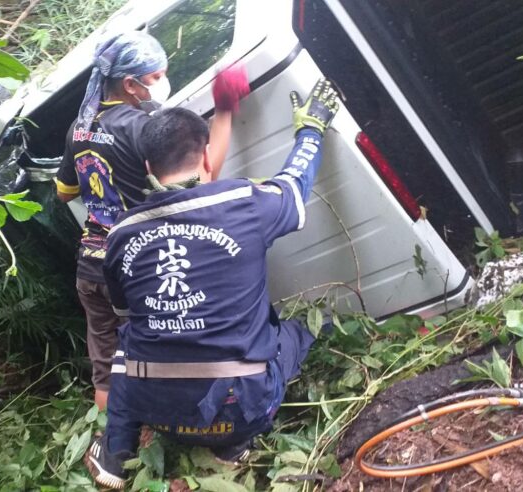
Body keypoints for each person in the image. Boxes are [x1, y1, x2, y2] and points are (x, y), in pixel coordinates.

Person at [86, 79, 340, 489]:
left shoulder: (119, 236)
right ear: (207, 154)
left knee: (129, 337)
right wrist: (311, 128)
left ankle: (117, 450)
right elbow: (294, 185)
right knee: (301, 329)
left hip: (160, 413)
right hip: (241, 407)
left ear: (148, 168)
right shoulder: (244, 203)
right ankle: (233, 445)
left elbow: (127, 315)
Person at [56, 31, 250, 410]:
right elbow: (201, 178)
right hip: (135, 267)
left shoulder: (78, 127)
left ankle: (116, 442)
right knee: (168, 356)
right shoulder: (141, 127)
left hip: (92, 268)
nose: (163, 81)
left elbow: (65, 192)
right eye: (157, 76)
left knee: (108, 368)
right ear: (131, 84)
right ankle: (189, 422)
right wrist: (224, 108)